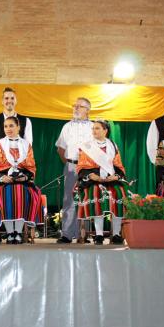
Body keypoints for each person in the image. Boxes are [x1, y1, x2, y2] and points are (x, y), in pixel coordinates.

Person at [0, 116, 43, 244]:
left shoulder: (26, 145)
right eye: (6, 126)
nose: (8, 129)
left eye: (11, 126)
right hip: (3, 182)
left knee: (21, 194)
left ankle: (17, 232)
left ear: (18, 127)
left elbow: (31, 166)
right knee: (3, 194)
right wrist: (1, 177)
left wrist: (25, 177)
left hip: (22, 182)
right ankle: (9, 232)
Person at [75, 120, 133, 245]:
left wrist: (116, 176)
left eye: (97, 128)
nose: (94, 131)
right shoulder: (86, 146)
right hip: (93, 180)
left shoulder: (113, 145)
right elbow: (81, 166)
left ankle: (117, 234)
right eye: (93, 128)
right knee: (96, 195)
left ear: (105, 131)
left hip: (110, 179)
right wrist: (91, 175)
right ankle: (99, 235)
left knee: (119, 195)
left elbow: (118, 165)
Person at [55, 97, 94, 244]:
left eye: (80, 106)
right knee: (69, 200)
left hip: (89, 168)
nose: (76, 108)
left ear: (87, 110)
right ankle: (66, 234)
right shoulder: (67, 126)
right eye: (75, 106)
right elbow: (60, 148)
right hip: (71, 166)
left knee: (86, 198)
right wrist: (70, 164)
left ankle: (83, 234)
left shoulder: (93, 127)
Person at [0, 87, 33, 156]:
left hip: (20, 164)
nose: (9, 101)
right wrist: (4, 161)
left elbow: (28, 145)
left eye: (12, 98)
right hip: (0, 164)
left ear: (16, 101)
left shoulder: (26, 121)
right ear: (2, 101)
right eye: (6, 98)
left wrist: (17, 159)